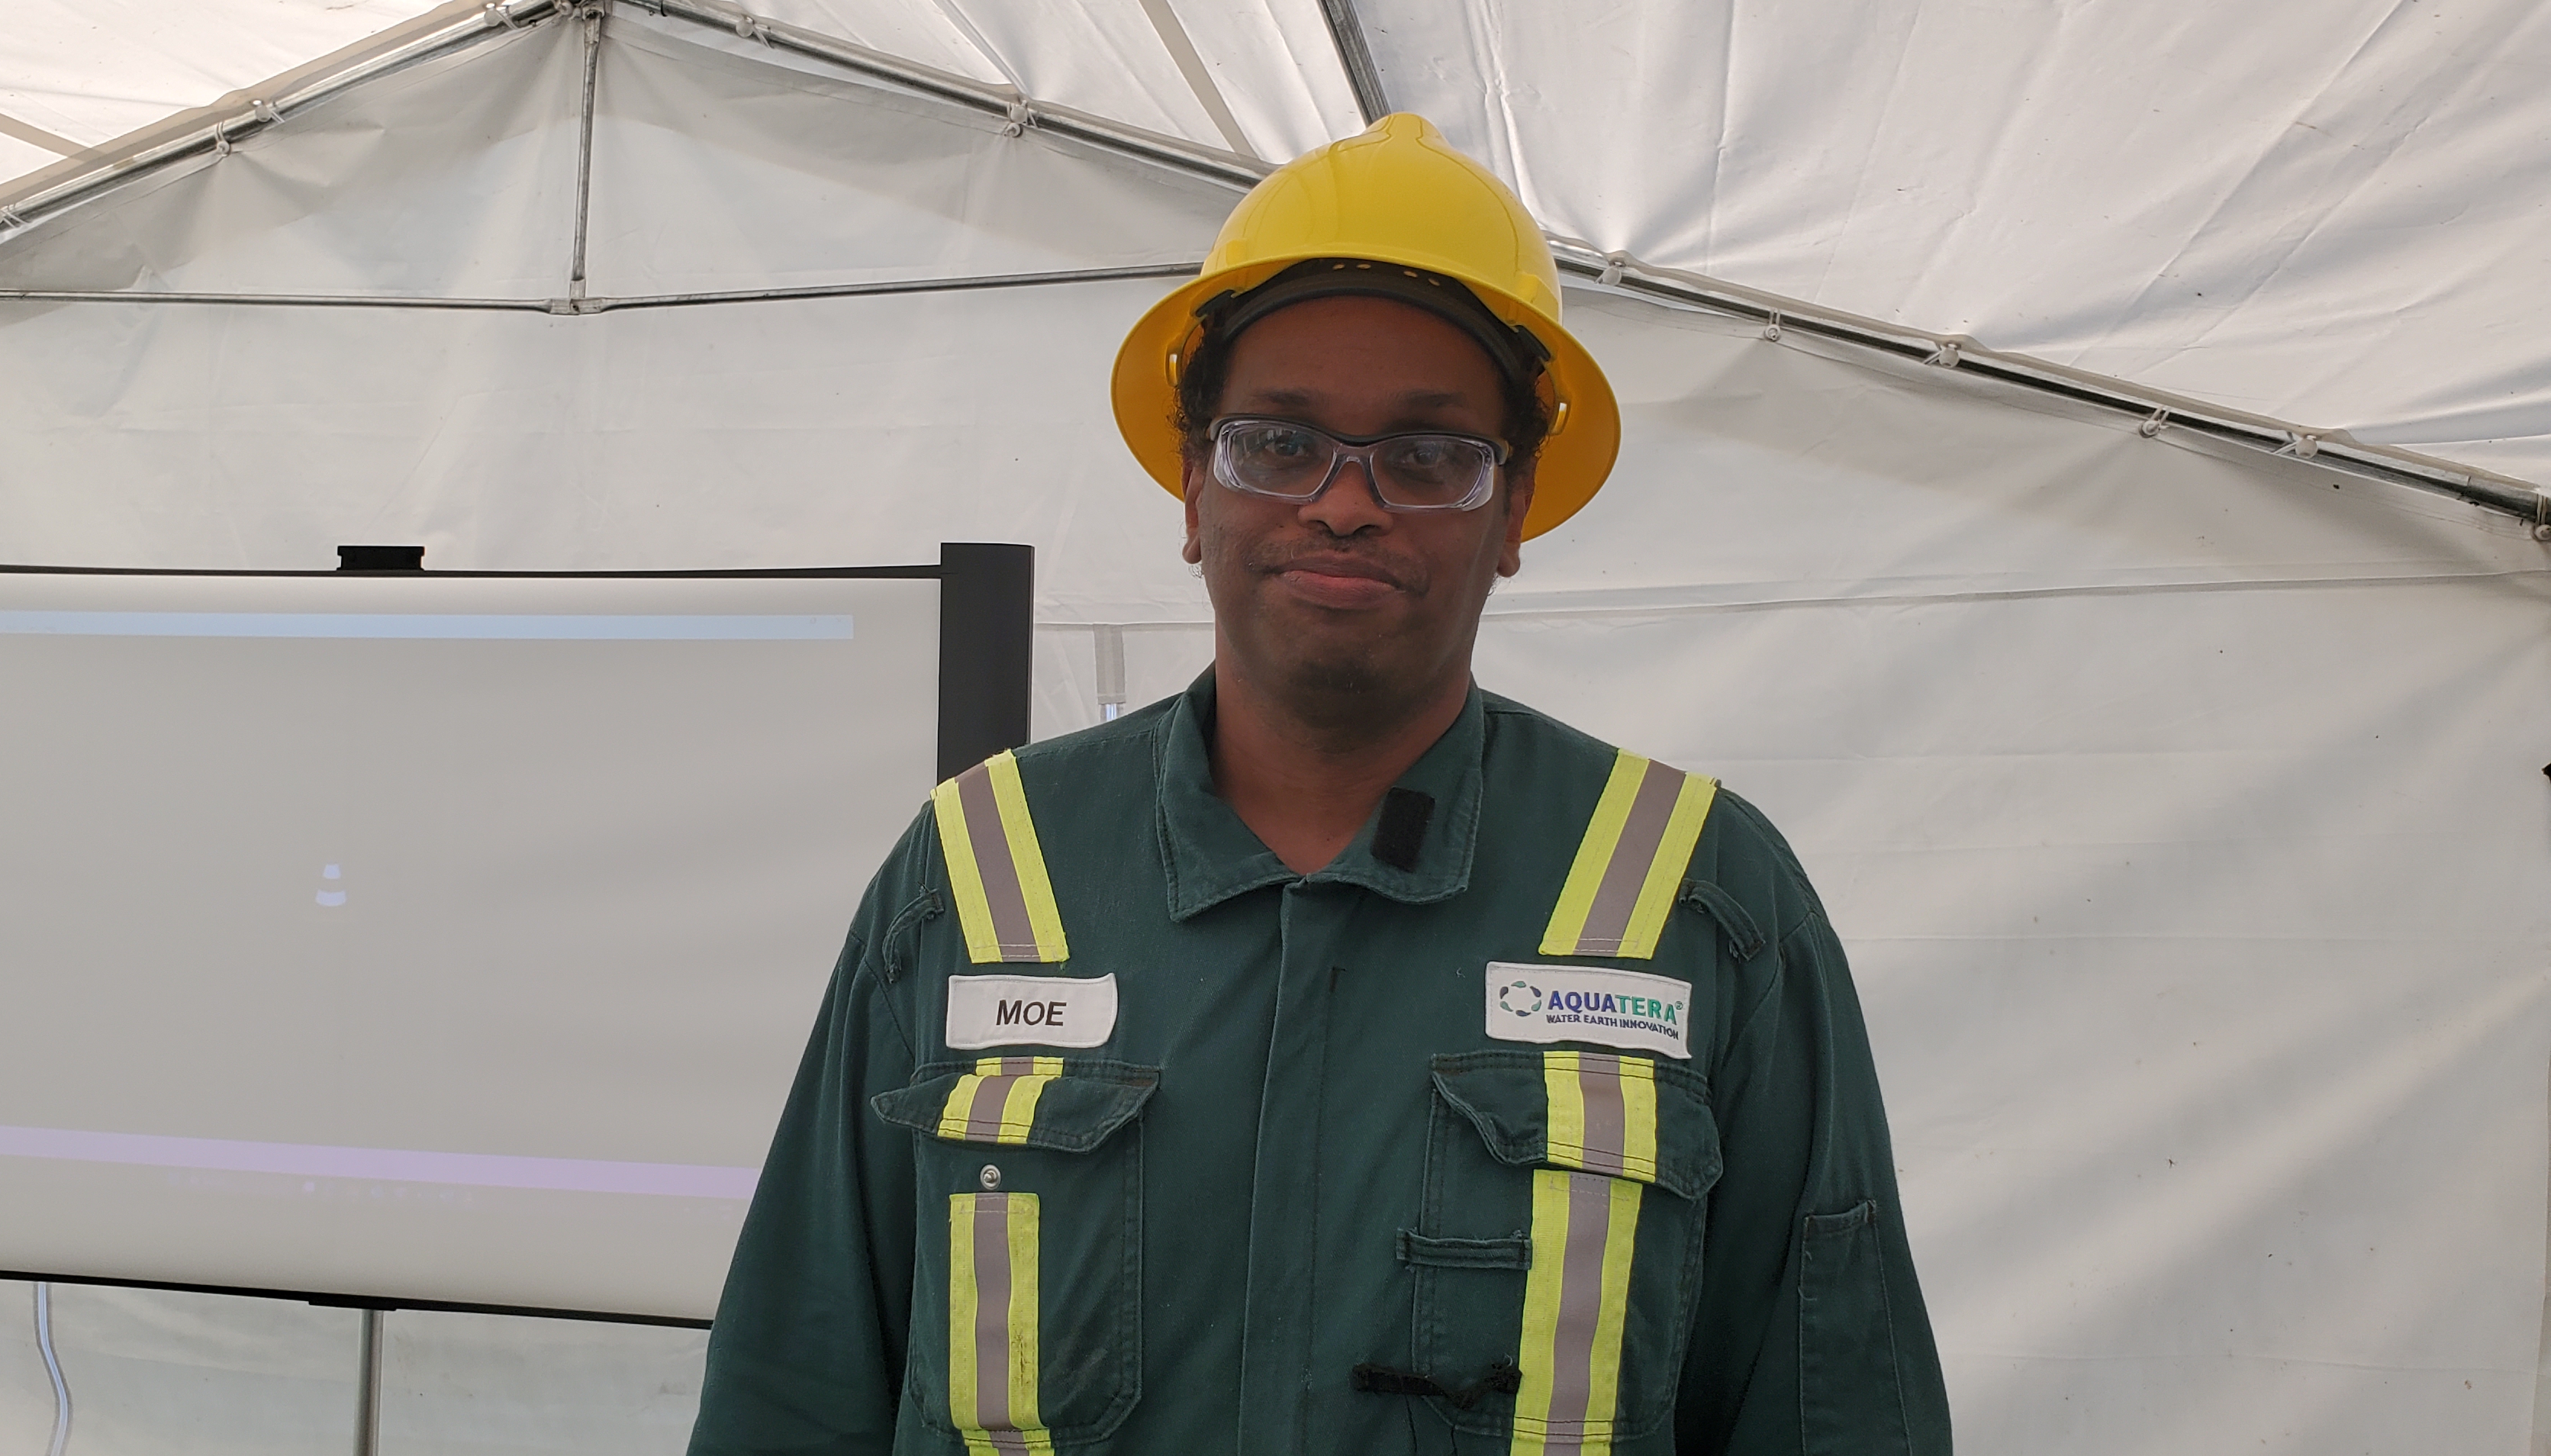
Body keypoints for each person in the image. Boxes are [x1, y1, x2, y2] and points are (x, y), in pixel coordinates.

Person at [688, 114, 1953, 1456]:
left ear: (1515, 508)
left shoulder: (1704, 900)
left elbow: (1835, 1413)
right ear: (1193, 488)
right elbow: (798, 1388)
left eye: (1429, 456)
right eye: (1279, 443)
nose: (1345, 504)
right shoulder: (974, 873)